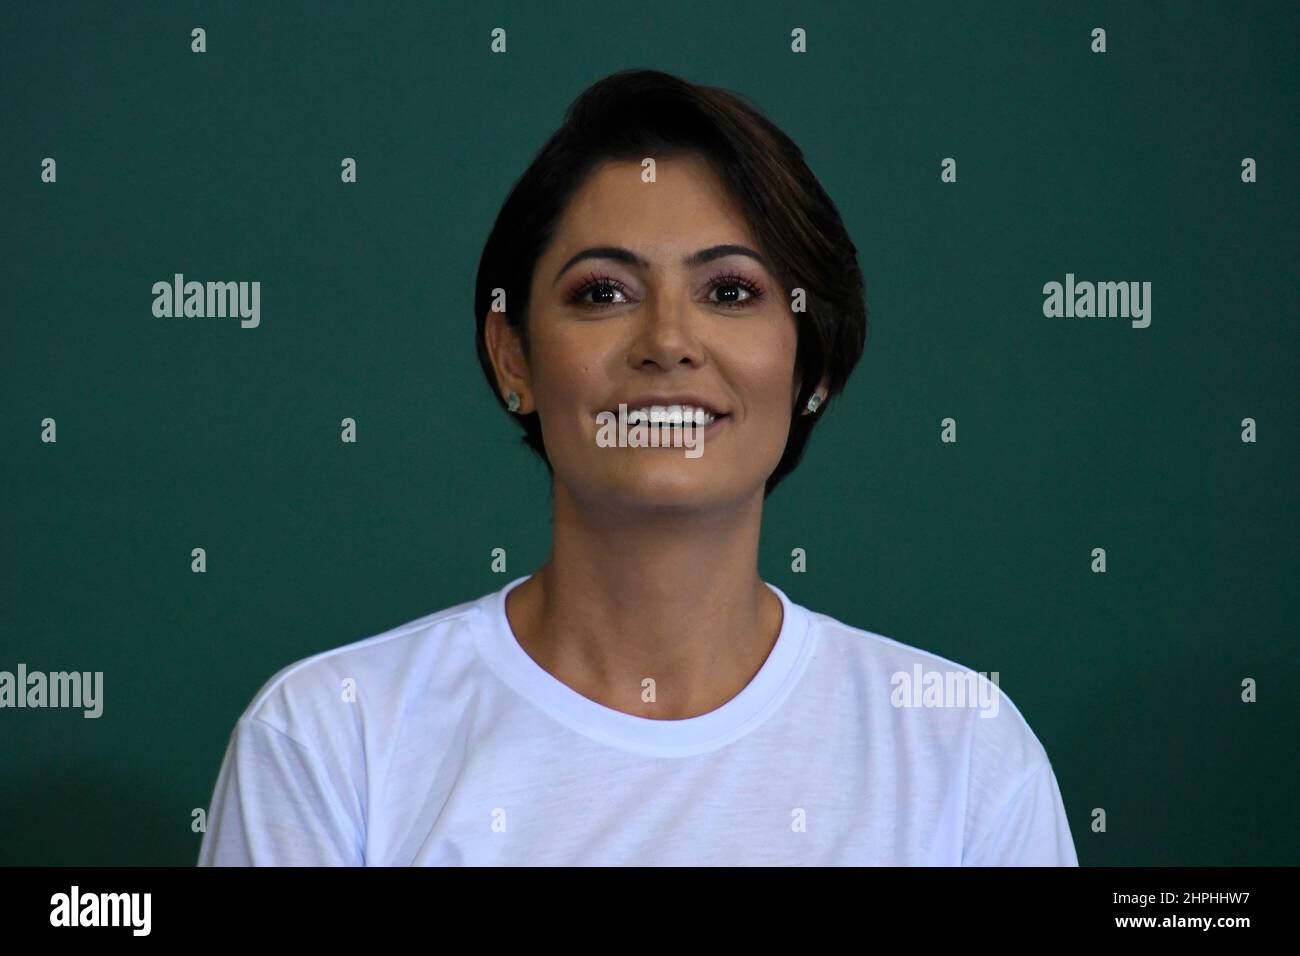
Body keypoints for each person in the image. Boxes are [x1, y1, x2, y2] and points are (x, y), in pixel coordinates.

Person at [198, 68, 1078, 866]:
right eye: (602, 293)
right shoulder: (328, 739)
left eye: (731, 291)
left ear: (811, 362)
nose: (667, 342)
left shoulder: (962, 751)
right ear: (513, 358)